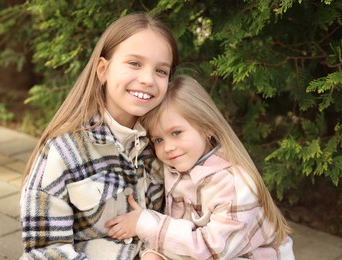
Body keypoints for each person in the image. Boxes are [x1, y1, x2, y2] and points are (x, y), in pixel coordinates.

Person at [19, 12, 179, 259]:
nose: (148, 79)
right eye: (134, 63)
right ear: (103, 70)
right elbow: (45, 251)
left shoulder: (166, 144)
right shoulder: (64, 151)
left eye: (161, 71)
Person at [105, 75, 295, 259]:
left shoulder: (233, 185)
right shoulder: (176, 166)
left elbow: (212, 251)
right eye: (159, 139)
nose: (168, 147)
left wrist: (145, 225)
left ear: (207, 128)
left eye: (177, 133)